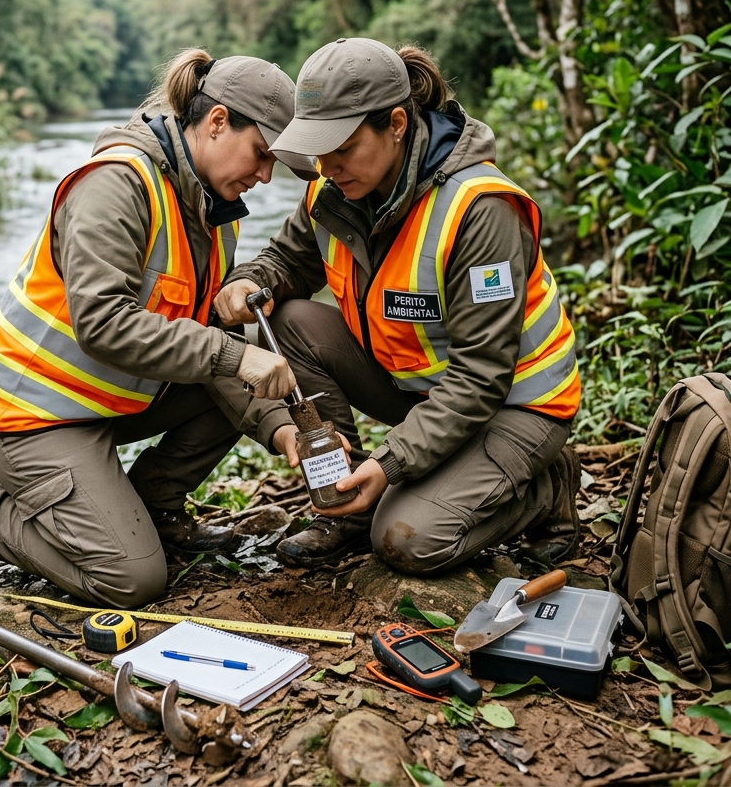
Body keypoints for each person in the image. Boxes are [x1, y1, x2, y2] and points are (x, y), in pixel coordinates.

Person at [0, 50, 321, 608]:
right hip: (34, 415)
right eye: (261, 154)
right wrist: (235, 358)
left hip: (112, 402)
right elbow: (103, 326)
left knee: (236, 359)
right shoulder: (117, 184)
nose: (266, 175)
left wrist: (282, 428)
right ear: (218, 121)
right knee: (131, 581)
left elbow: (200, 341)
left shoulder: (210, 206)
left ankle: (154, 507)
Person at [215, 37, 581, 573]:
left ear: (397, 124)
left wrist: (391, 463)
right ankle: (348, 506)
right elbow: (288, 262)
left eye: (342, 147)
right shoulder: (333, 187)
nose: (327, 165)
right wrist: (252, 279)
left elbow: (482, 379)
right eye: (319, 148)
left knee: (406, 540)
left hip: (512, 405)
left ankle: (544, 487)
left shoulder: (479, 210)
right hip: (420, 393)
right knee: (288, 319)